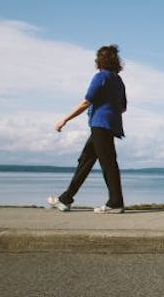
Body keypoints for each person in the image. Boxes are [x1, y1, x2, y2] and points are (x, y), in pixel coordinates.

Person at [48, 44, 128, 214]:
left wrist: (65, 119)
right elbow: (123, 107)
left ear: (99, 60)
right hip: (110, 125)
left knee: (108, 163)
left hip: (100, 125)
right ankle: (65, 199)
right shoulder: (118, 80)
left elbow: (86, 102)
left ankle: (115, 202)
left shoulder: (101, 77)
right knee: (85, 161)